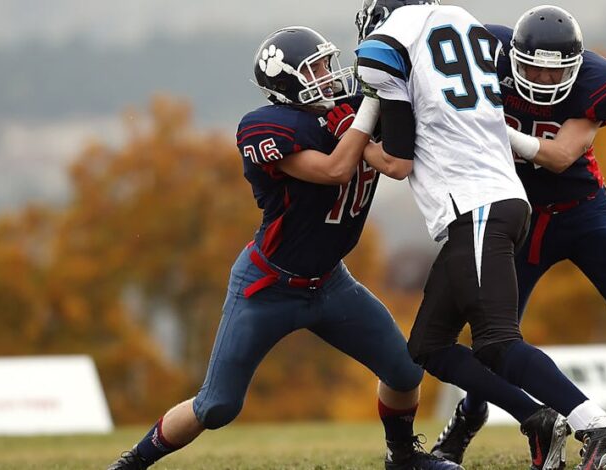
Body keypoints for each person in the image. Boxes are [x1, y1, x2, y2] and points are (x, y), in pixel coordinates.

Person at [107, 26, 461, 470]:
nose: (328, 76)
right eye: (315, 68)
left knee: (406, 371)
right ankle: (132, 463)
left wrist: (392, 90)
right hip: (269, 286)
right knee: (217, 406)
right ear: (285, 82)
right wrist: (368, 110)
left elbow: (394, 162)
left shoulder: (347, 108)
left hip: (331, 282)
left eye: (328, 64)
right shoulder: (268, 128)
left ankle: (403, 456)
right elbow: (334, 169)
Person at [355, 1, 606, 469]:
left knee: (497, 342)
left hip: (478, 206)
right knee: (429, 347)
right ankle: (537, 419)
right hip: (490, 202)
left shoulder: (395, 41)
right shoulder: (464, 23)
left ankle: (600, 427)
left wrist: (357, 135)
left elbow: (399, 163)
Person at [431, 5, 606, 466]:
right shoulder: (482, 51)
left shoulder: (602, 81)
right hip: (512, 217)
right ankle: (467, 418)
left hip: (582, 212)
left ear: (578, 66)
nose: (542, 79)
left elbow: (558, 156)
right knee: (491, 343)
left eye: (556, 72)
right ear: (512, 56)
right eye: (532, 65)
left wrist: (489, 126)